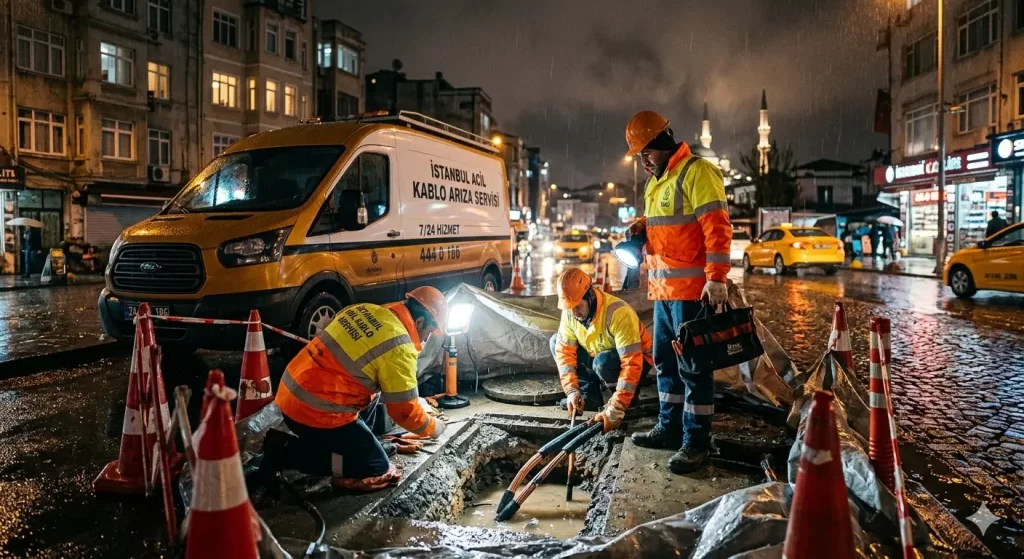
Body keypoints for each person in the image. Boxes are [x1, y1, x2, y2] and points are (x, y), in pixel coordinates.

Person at [622, 111, 732, 474]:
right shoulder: (656, 182)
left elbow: (716, 226)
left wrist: (716, 278)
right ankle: (669, 429)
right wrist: (641, 227)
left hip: (692, 294)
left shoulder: (697, 171)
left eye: (645, 153)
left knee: (694, 368)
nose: (643, 162)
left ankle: (695, 442)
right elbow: (665, 226)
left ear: (662, 143)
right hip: (664, 293)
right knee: (666, 365)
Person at [264, 286, 448, 491]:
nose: (425, 339)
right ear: (419, 322)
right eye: (429, 333)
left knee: (373, 388)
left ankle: (356, 446)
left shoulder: (367, 310)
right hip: (315, 411)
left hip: (291, 392)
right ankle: (285, 451)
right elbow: (403, 411)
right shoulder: (399, 345)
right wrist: (433, 427)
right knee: (374, 466)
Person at [551, 268, 653, 432]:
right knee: (556, 341)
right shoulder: (570, 313)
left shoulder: (618, 313)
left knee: (602, 362)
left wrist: (617, 406)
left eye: (577, 306)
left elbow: (632, 364)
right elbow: (564, 353)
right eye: (570, 307)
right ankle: (587, 395)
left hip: (638, 361)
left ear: (589, 296)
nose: (574, 312)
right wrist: (571, 390)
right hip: (598, 354)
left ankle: (628, 401)